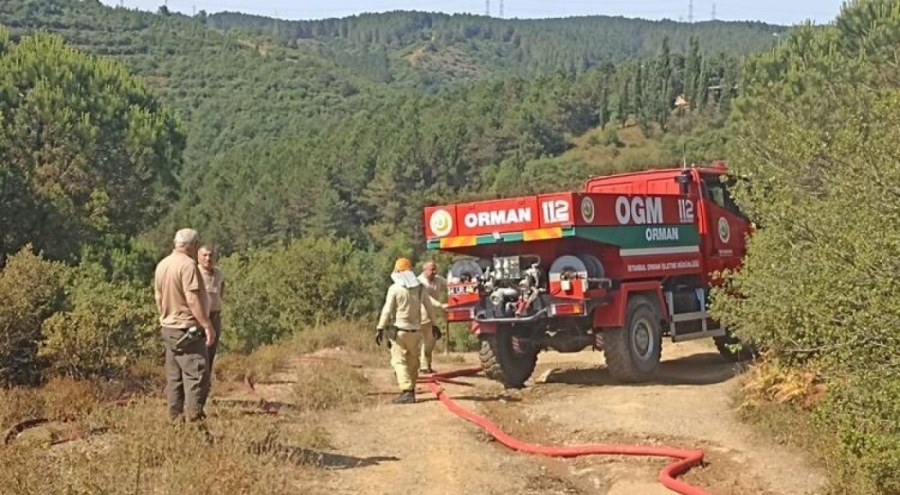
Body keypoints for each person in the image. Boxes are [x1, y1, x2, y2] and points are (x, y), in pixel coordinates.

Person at [154, 228, 217, 422]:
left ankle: (175, 424)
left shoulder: (163, 264)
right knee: (197, 377)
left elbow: (158, 296)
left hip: (169, 328)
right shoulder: (188, 265)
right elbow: (192, 297)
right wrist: (206, 325)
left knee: (175, 379)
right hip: (186, 329)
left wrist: (165, 317)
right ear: (192, 245)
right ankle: (195, 426)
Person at [375, 257, 438, 404]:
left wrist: (380, 328)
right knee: (413, 362)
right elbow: (429, 307)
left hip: (400, 331)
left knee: (399, 361)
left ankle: (407, 391)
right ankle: (411, 389)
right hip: (416, 331)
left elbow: (387, 310)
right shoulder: (420, 288)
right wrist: (435, 325)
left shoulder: (395, 289)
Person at [197, 244, 225, 409]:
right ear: (198, 257)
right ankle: (195, 397)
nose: (208, 258)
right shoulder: (195, 273)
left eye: (211, 255)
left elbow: (222, 289)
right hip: (201, 320)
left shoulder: (219, 272)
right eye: (205, 255)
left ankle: (204, 394)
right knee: (199, 358)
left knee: (210, 357)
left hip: (215, 317)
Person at [418, 260, 448, 374]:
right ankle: (420, 366)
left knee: (430, 342)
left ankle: (426, 366)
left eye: (435, 269)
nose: (434, 272)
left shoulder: (438, 279)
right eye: (431, 269)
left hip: (432, 317)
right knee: (418, 343)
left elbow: (450, 284)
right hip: (420, 316)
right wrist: (441, 305)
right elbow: (427, 299)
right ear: (424, 270)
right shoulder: (419, 282)